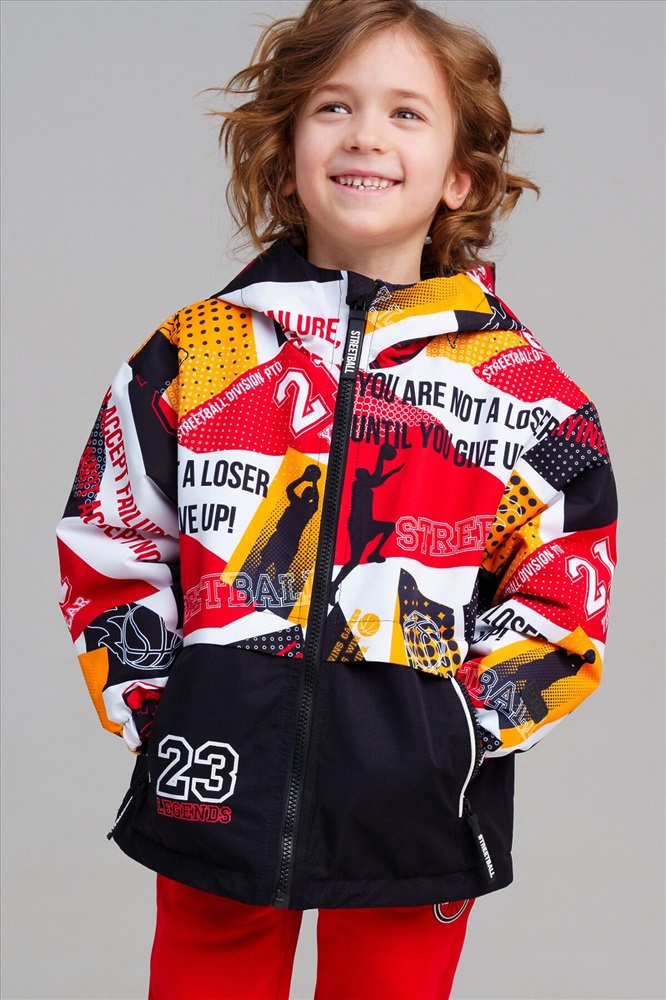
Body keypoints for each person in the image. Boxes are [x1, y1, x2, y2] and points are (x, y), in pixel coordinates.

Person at [56, 0, 617, 996]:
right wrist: (166, 707)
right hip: (215, 775)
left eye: (407, 112)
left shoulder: (529, 392)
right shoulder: (194, 355)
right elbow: (111, 539)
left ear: (460, 176)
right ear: (285, 160)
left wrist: (458, 732)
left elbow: (563, 599)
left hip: (416, 807)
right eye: (333, 107)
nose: (365, 134)